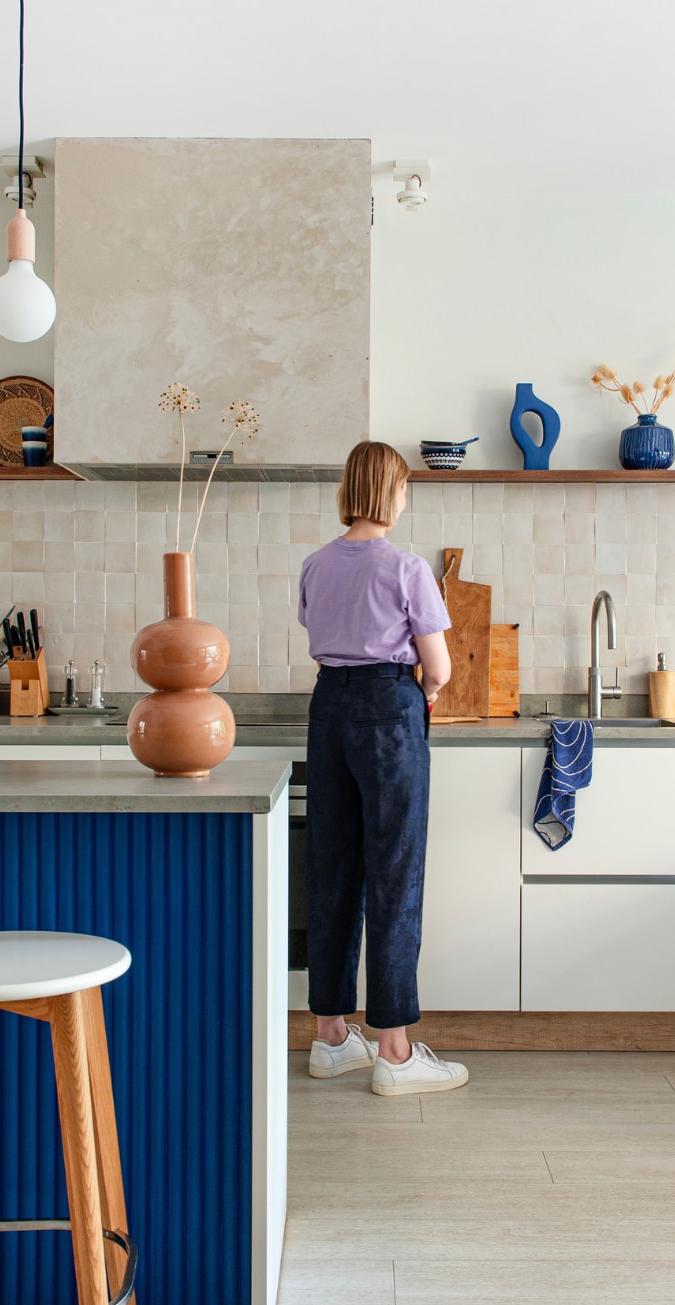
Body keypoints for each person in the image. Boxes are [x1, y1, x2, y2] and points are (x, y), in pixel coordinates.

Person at [298, 440, 469, 1096]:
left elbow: (320, 636)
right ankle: (395, 1052)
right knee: (395, 873)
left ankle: (332, 1038)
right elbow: (442, 668)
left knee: (333, 868)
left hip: (328, 710)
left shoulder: (316, 565)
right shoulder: (406, 567)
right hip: (388, 711)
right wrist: (421, 691)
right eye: (403, 489)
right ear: (391, 493)